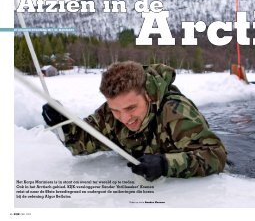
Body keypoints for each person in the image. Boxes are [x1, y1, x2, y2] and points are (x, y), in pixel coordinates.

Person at [42, 61, 227, 181]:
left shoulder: (176, 111)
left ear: (147, 95)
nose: (124, 118)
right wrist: (63, 122)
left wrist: (166, 164)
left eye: (131, 108)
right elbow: (82, 141)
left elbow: (215, 155)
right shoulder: (109, 114)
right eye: (116, 110)